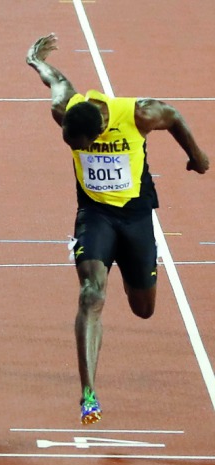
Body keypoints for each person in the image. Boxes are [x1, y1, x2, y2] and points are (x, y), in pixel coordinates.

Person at [26, 33, 208, 424]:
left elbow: (173, 116)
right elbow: (56, 80)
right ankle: (88, 392)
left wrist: (197, 156)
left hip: (137, 215)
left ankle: (133, 269)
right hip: (95, 216)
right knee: (91, 295)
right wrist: (35, 59)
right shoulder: (64, 109)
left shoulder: (138, 114)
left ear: (99, 132)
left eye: (83, 145)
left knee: (144, 309)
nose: (77, 150)